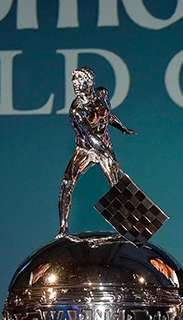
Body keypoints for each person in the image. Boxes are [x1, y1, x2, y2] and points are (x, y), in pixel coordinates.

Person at [57, 67, 136, 237]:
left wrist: (122, 129)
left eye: (79, 80)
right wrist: (106, 154)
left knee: (116, 184)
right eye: (74, 81)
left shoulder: (102, 95)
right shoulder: (77, 110)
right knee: (67, 184)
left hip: (104, 144)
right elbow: (90, 135)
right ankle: (63, 228)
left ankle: (128, 227)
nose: (75, 84)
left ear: (90, 82)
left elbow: (107, 116)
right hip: (85, 149)